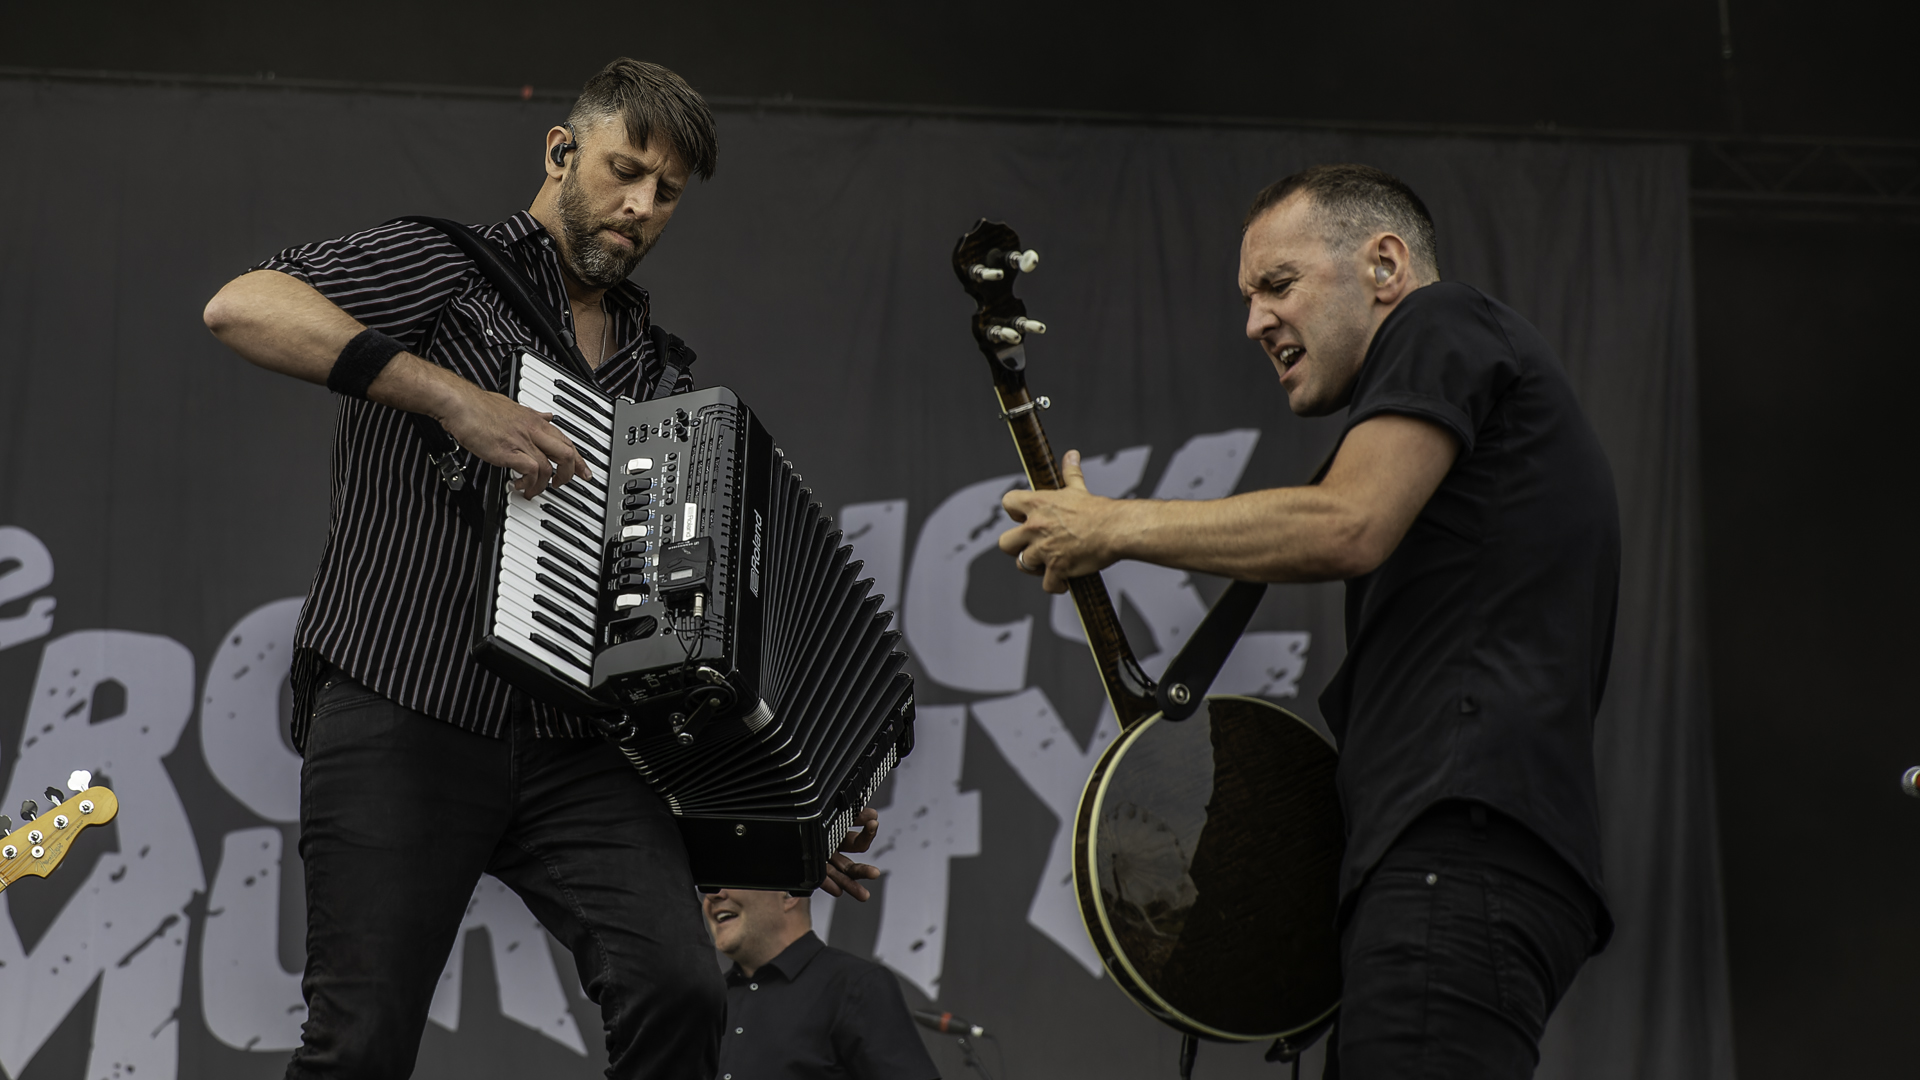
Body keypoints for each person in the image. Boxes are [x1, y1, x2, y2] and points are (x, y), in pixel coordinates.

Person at [202, 58, 878, 1080]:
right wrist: (451, 398)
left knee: (680, 989)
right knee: (360, 1046)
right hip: (405, 704)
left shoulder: (661, 378)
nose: (642, 206)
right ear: (561, 151)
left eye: (667, 194)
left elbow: (684, 642)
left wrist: (784, 803)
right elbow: (245, 307)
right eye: (624, 171)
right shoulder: (448, 270)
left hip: (578, 748)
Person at [996, 164, 1616, 1078]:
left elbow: (1347, 525)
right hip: (1453, 861)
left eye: (1277, 285)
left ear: (1385, 264)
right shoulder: (1457, 395)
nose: (1254, 322)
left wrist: (1113, 525)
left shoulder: (1441, 321)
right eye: (1249, 298)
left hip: (1455, 850)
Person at [703, 889, 941, 1080]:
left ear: (789, 893)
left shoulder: (856, 985)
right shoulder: (709, 1002)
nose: (712, 894)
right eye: (704, 885)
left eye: (729, 878)